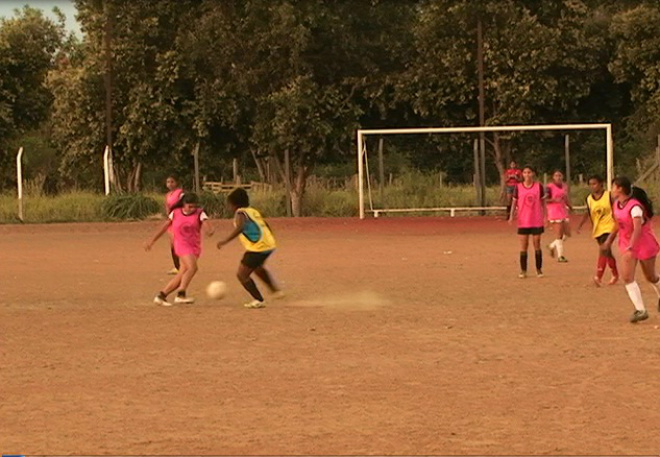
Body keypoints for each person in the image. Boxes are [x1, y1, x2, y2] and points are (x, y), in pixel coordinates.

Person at [601, 177, 660, 323]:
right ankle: (640, 310)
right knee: (627, 277)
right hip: (627, 244)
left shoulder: (635, 207)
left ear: (620, 188)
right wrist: (609, 240)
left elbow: (638, 228)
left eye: (614, 186)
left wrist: (632, 246)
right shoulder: (616, 204)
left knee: (651, 277)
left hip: (644, 243)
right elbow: (617, 224)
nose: (612, 190)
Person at [216, 188, 282, 309]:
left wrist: (225, 241)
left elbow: (240, 227)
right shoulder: (252, 211)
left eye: (229, 204)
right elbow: (265, 224)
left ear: (234, 204)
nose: (229, 207)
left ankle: (258, 300)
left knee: (242, 275)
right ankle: (275, 291)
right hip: (268, 245)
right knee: (257, 268)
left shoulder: (240, 213)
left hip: (258, 248)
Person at [145, 193, 214, 306]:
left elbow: (207, 226)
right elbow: (164, 227)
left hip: (194, 245)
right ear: (183, 204)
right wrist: (152, 240)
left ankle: (161, 296)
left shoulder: (200, 213)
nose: (192, 209)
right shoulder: (175, 213)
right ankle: (181, 294)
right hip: (181, 244)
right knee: (192, 268)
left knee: (182, 274)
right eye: (189, 206)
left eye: (194, 206)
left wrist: (210, 231)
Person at [576, 175, 618, 286]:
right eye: (590, 184)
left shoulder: (609, 196)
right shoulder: (589, 199)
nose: (592, 186)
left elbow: (617, 208)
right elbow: (588, 213)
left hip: (610, 226)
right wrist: (580, 225)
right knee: (607, 253)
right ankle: (615, 273)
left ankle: (598, 277)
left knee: (603, 249)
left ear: (601, 184)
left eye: (594, 183)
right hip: (598, 229)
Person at [508, 165, 545, 278]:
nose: (527, 175)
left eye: (529, 172)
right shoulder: (518, 187)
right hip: (523, 220)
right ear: (522, 174)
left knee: (537, 243)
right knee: (524, 245)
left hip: (536, 219)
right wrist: (511, 215)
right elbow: (514, 202)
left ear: (533, 174)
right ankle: (523, 270)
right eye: (525, 172)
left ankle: (539, 269)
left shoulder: (539, 186)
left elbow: (543, 203)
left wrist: (547, 216)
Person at [546, 170, 572, 263]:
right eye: (556, 175)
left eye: (560, 175)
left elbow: (565, 198)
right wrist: (553, 199)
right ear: (553, 177)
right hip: (554, 211)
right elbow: (545, 199)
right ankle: (560, 256)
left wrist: (570, 206)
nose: (558, 177)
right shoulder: (549, 187)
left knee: (567, 234)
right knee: (559, 234)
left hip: (563, 211)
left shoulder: (564, 186)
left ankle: (552, 246)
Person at [165, 175, 184, 275]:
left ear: (176, 183)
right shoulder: (168, 195)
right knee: (172, 244)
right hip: (171, 221)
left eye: (172, 182)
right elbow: (167, 207)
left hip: (179, 220)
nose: (170, 184)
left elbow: (183, 204)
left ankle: (185, 265)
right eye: (168, 182)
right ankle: (177, 267)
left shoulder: (180, 193)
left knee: (180, 243)